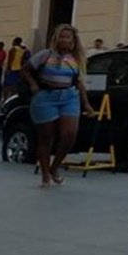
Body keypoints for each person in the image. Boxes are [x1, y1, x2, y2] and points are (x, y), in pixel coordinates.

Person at [20, 24, 96, 187]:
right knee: (46, 137)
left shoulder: (76, 59)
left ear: (73, 41)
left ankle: (55, 167)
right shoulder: (45, 55)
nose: (64, 40)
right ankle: (45, 174)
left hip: (69, 97)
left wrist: (87, 105)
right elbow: (25, 70)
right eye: (61, 37)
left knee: (70, 134)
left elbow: (79, 83)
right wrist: (33, 85)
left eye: (67, 37)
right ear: (56, 39)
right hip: (46, 97)